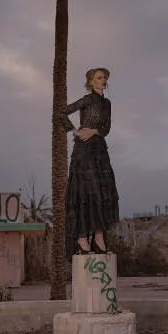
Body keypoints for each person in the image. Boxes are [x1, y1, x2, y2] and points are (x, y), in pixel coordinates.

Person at [57, 66, 119, 256]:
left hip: (100, 150)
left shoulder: (107, 103)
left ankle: (98, 236)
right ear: (91, 82)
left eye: (105, 77)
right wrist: (75, 131)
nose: (103, 80)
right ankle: (82, 238)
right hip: (83, 151)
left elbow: (106, 128)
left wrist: (94, 131)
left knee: (101, 192)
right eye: (99, 77)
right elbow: (61, 113)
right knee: (85, 193)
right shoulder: (86, 99)